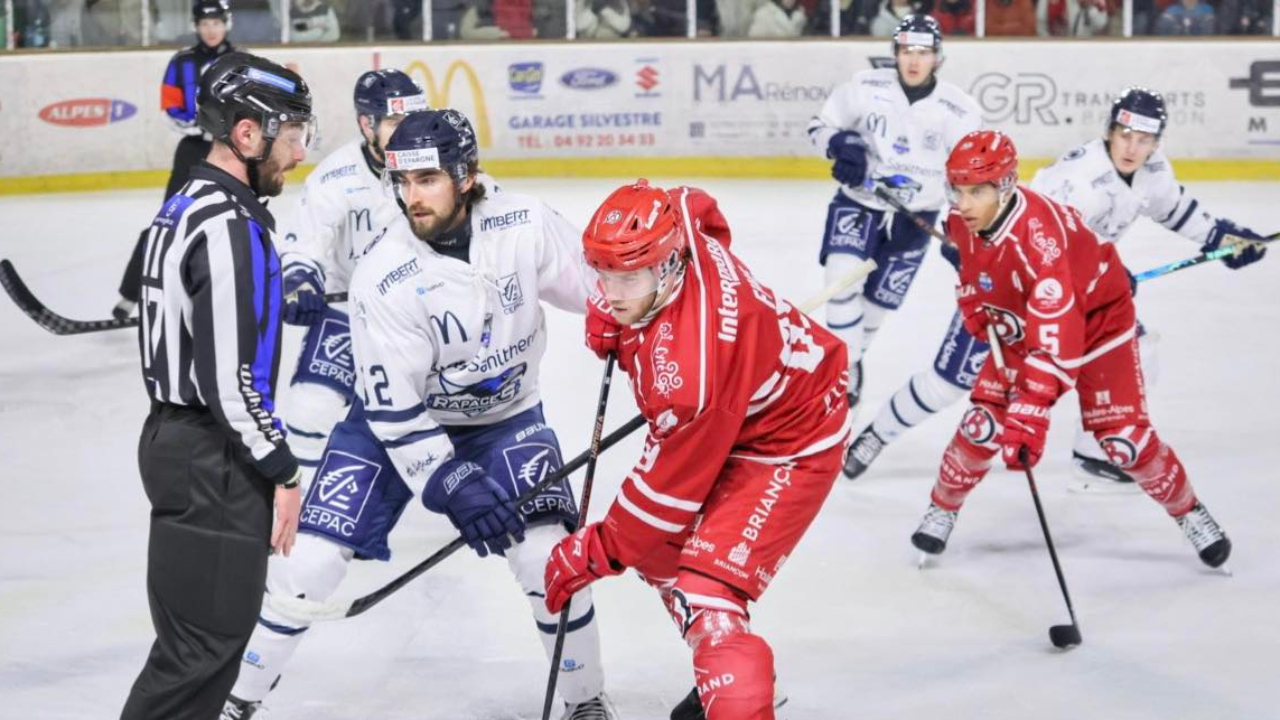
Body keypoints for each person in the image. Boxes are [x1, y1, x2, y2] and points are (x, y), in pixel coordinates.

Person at [222, 110, 617, 720]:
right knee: (308, 567)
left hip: (506, 418)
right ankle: (237, 699)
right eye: (403, 183)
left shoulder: (525, 224)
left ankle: (584, 698)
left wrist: (639, 329)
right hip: (387, 428)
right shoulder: (384, 274)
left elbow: (603, 294)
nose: (412, 197)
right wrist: (451, 480)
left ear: (465, 175)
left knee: (548, 557)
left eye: (428, 179)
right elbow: (393, 406)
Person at [843, 88, 1269, 489]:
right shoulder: (1077, 182)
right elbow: (1031, 243)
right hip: (1006, 292)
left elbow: (1175, 208)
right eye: (1125, 135)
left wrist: (1221, 237)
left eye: (1144, 139)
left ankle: (1094, 452)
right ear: (1109, 131)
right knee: (949, 383)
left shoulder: (1153, 170)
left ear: (1157, 143)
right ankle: (877, 434)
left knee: (1137, 349)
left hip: (1068, 302)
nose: (1132, 147)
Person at [542, 180, 852, 720]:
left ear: (666, 267)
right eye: (603, 275)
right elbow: (696, 202)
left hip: (790, 440)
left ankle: (737, 685)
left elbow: (662, 498)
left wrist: (591, 552)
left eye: (628, 278)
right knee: (659, 552)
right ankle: (730, 666)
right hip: (741, 410)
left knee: (707, 594)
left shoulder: (688, 376)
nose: (612, 293)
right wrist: (619, 315)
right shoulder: (676, 225)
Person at [907, 129, 1232, 570]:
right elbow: (971, 267)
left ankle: (1190, 512)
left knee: (1125, 444)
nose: (963, 203)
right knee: (981, 427)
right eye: (957, 190)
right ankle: (942, 507)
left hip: (1098, 323)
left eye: (976, 191)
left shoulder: (1041, 242)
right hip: (1027, 323)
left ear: (1004, 187)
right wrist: (973, 301)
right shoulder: (963, 220)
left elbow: (1056, 344)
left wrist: (1031, 412)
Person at [121, 51, 314, 720]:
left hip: (180, 445)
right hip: (215, 461)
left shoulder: (187, 202)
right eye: (290, 135)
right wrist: (284, 471)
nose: (296, 153)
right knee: (201, 651)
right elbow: (230, 383)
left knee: (196, 647)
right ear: (246, 134)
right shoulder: (231, 226)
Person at [805, 14, 980, 418]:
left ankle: (851, 357)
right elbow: (821, 126)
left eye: (923, 52)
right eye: (906, 51)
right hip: (859, 202)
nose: (914, 60)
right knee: (840, 280)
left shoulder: (960, 109)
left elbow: (968, 177)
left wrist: (961, 228)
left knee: (877, 306)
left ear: (938, 57)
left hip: (915, 218)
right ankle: (842, 373)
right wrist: (840, 145)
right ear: (895, 54)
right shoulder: (865, 87)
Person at [273, 69, 433, 478]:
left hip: (422, 315)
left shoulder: (436, 166)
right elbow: (306, 239)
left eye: (413, 119)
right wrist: (300, 278)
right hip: (349, 312)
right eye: (396, 122)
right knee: (311, 408)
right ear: (367, 124)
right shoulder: (336, 175)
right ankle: (304, 518)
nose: (407, 130)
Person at [112, 0, 236, 322]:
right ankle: (130, 295)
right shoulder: (181, 61)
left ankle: (227, 292)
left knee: (234, 224)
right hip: (193, 151)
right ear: (196, 25)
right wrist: (204, 126)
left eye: (217, 23)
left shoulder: (242, 62)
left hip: (232, 154)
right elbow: (171, 107)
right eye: (205, 24)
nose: (211, 30)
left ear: (227, 23)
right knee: (169, 222)